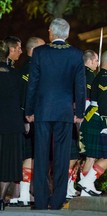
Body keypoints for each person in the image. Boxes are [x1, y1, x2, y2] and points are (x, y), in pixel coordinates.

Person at [25, 18, 86, 210]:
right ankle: (58, 199)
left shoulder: (40, 52)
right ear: (66, 33)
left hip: (43, 110)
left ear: (52, 32)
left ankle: (41, 200)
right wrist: (80, 111)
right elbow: (80, 86)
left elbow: (32, 84)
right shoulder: (76, 54)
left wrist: (29, 110)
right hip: (65, 111)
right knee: (62, 156)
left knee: (41, 155)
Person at [77, 50, 107, 197]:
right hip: (100, 120)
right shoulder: (105, 79)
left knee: (92, 155)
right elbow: (104, 103)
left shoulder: (101, 77)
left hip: (95, 119)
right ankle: (87, 182)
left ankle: (85, 189)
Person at [8, 37, 45, 207]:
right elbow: (27, 95)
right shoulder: (32, 68)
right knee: (29, 156)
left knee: (28, 156)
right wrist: (28, 116)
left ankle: (22, 193)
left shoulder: (26, 67)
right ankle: (23, 193)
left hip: (24, 118)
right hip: (29, 119)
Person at [66, 49, 99, 199]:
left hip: (73, 116)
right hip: (83, 119)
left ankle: (71, 186)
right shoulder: (91, 76)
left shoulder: (76, 73)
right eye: (96, 61)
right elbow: (89, 101)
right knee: (76, 155)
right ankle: (69, 186)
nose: (97, 64)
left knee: (78, 156)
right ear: (91, 61)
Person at [0, 40, 25, 206]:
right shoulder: (14, 74)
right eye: (18, 48)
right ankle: (1, 197)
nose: (20, 52)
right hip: (11, 123)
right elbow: (22, 99)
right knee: (8, 163)